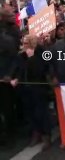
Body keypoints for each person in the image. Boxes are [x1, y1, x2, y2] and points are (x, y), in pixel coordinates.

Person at [8, 35, 51, 150]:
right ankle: (36, 133)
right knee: (30, 113)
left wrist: (32, 58)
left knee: (41, 112)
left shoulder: (41, 53)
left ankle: (46, 136)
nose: (24, 45)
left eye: (26, 42)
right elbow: (18, 70)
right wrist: (15, 78)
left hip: (38, 88)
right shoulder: (21, 55)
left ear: (32, 43)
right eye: (23, 42)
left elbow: (41, 70)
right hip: (25, 89)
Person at [0, 9, 20, 146]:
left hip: (5, 80)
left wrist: (9, 75)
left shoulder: (8, 40)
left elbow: (15, 59)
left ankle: (11, 135)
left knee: (7, 108)